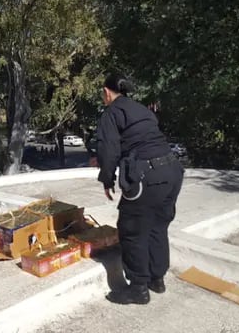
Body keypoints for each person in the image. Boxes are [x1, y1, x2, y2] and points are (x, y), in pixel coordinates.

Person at [95, 73, 184, 305]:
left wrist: (107, 179)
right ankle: (157, 279)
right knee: (157, 226)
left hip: (147, 176)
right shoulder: (142, 109)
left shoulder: (112, 113)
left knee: (132, 229)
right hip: (173, 171)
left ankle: (138, 288)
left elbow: (108, 150)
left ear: (107, 92)